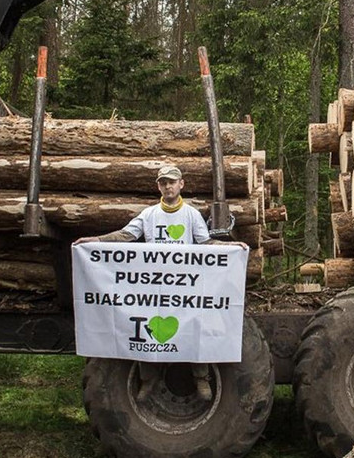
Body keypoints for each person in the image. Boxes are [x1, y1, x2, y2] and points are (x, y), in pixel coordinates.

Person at [75, 165, 247, 402]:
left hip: (185, 288)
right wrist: (96, 241)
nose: (168, 186)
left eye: (172, 182)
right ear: (159, 186)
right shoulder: (149, 215)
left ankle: (201, 377)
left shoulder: (191, 214)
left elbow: (205, 242)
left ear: (181, 185)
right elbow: (126, 236)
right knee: (146, 333)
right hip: (153, 289)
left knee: (195, 327)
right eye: (163, 182)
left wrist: (230, 247)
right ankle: (148, 380)